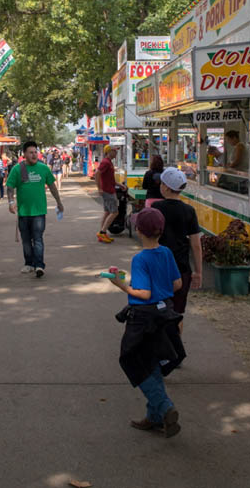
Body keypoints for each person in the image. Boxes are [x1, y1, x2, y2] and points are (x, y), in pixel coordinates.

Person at [107, 206, 184, 438]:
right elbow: (177, 284)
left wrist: (121, 285)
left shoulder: (140, 258)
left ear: (139, 230)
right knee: (152, 363)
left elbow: (143, 293)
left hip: (143, 318)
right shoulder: (166, 253)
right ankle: (155, 417)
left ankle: (164, 406)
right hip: (165, 313)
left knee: (132, 361)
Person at [152, 167, 202, 332]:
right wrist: (198, 272)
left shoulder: (156, 208)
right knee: (177, 312)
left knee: (156, 309)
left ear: (166, 187)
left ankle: (158, 349)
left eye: (161, 183)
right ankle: (175, 349)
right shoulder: (189, 211)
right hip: (181, 269)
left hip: (158, 268)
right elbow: (196, 244)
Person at [6, 140, 64, 278]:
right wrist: (11, 202)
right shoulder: (17, 169)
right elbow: (10, 187)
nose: (34, 155)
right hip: (24, 211)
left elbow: (52, 187)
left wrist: (59, 202)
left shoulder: (43, 168)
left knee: (37, 238)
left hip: (39, 211)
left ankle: (39, 265)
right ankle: (29, 263)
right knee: (26, 239)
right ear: (24, 154)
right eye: (30, 152)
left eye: (35, 152)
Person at [96, 147, 120, 243]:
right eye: (114, 151)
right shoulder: (105, 162)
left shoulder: (109, 162)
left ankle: (102, 233)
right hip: (108, 191)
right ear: (108, 152)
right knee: (114, 212)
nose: (116, 153)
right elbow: (97, 174)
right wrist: (99, 188)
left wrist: (119, 185)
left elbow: (110, 178)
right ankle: (102, 232)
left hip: (109, 189)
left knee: (107, 212)